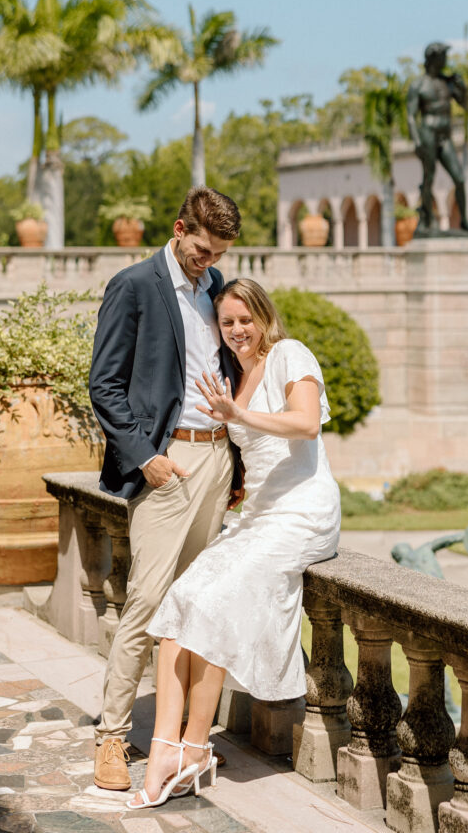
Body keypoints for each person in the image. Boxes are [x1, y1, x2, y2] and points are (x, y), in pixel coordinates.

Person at [127, 278, 341, 809]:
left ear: (265, 318)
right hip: (257, 516)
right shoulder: (233, 377)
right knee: (179, 604)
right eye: (227, 323)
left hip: (302, 513)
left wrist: (238, 416)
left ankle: (196, 749)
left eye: (246, 320)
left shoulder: (290, 354)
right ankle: (164, 750)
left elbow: (307, 423)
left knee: (214, 606)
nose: (238, 330)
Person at [88, 186, 242, 792]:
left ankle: (185, 739)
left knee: (198, 604)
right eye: (201, 250)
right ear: (179, 229)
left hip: (217, 460)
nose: (207, 262)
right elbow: (105, 385)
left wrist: (238, 466)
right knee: (147, 603)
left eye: (217, 253)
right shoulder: (134, 285)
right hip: (166, 460)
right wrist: (147, 458)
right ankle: (110, 737)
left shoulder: (216, 285)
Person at [406, 41, 468, 234]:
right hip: (427, 133)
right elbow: (411, 115)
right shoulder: (418, 85)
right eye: (443, 56)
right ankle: (425, 220)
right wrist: (417, 141)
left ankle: (464, 221)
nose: (446, 59)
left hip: (445, 137)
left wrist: (463, 89)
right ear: (433, 58)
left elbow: (466, 105)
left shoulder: (448, 83)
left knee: (459, 178)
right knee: (429, 179)